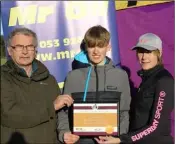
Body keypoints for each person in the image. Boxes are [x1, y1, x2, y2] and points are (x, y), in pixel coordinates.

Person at [1, 27, 79, 144]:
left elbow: (60, 113)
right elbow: (9, 115)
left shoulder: (49, 79)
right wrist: (51, 107)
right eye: (19, 47)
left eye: (29, 46)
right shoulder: (3, 77)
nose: (25, 51)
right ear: (9, 50)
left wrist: (64, 132)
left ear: (35, 50)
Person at [95, 33, 174, 144]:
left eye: (148, 52)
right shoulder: (146, 80)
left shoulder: (164, 80)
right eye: (141, 52)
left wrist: (121, 139)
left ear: (159, 53)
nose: (144, 57)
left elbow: (156, 126)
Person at [59, 25, 131, 144]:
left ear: (108, 47)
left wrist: (119, 138)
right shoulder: (73, 76)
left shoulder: (120, 76)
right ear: (86, 47)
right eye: (92, 46)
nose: (96, 51)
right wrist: (64, 132)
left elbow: (124, 112)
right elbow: (64, 112)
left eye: (100, 46)